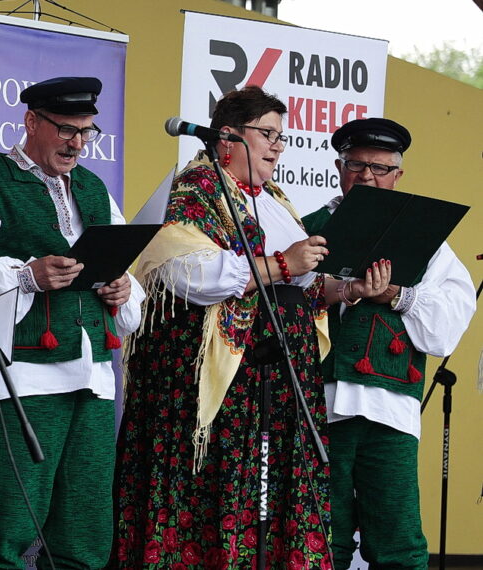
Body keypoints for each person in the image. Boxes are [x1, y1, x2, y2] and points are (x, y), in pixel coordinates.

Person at [113, 86, 389, 568]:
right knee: (222, 489)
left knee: (275, 494)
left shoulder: (278, 201)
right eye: (267, 134)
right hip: (225, 389)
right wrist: (283, 263)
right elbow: (188, 273)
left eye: (281, 137)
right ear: (227, 138)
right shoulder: (195, 188)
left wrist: (348, 290)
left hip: (281, 385)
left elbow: (303, 287)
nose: (278, 146)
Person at [0, 76, 145, 569]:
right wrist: (26, 277)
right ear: (31, 122)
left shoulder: (94, 189)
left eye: (86, 132)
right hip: (23, 376)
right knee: (8, 523)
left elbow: (124, 263)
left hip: (92, 372)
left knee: (86, 530)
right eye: (66, 130)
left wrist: (123, 289)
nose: (77, 143)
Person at [301, 118, 476, 569]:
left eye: (379, 168)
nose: (366, 176)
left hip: (390, 406)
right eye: (356, 164)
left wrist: (396, 294)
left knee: (396, 539)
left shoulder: (426, 239)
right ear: (339, 167)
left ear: (398, 175)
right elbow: (279, 307)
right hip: (318, 403)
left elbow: (451, 321)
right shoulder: (309, 229)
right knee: (320, 535)